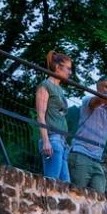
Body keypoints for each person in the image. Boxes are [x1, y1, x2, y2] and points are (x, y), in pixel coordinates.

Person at [34, 51, 73, 182]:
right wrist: (46, 141)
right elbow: (40, 115)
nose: (70, 72)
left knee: (65, 187)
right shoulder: (45, 86)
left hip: (62, 142)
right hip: (52, 139)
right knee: (52, 184)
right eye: (68, 68)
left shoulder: (60, 90)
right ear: (57, 67)